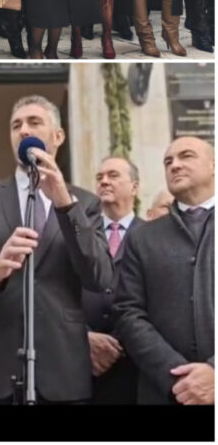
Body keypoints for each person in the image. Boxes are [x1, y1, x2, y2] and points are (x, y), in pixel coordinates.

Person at [0, 95, 113, 403]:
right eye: (16, 125)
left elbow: (100, 277)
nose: (24, 130)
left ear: (58, 135)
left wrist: (65, 204)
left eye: (34, 122)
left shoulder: (85, 203)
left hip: (62, 369)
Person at [114, 137, 214, 405]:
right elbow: (128, 312)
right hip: (163, 392)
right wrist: (176, 377)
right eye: (168, 161)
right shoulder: (142, 237)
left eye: (186, 156)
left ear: (213, 165)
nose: (175, 165)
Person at [81, 156, 144, 405]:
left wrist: (119, 344)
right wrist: (82, 336)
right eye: (99, 177)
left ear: (135, 186)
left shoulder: (153, 235)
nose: (104, 181)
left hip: (134, 367)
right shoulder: (80, 236)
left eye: (113, 175)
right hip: (81, 365)